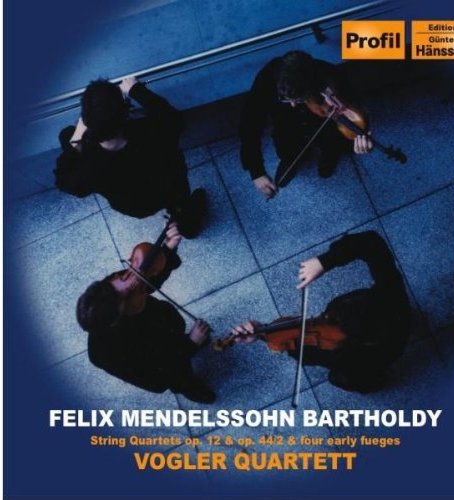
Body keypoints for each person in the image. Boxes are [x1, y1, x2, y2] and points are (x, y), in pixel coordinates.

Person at [230, 231, 411, 393]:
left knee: (341, 379)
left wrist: (264, 335)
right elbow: (370, 241)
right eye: (329, 317)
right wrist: (324, 262)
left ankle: (375, 383)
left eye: (332, 320)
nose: (322, 318)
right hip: (397, 319)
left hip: (371, 361)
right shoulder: (391, 293)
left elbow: (304, 353)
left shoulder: (350, 359)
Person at [76, 221, 215, 403]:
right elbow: (158, 381)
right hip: (167, 358)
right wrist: (190, 344)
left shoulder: (115, 286)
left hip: (167, 323)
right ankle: (189, 387)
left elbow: (146, 277)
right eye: (139, 290)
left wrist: (167, 250)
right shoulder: (105, 355)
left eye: (123, 275)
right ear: (119, 316)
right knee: (181, 377)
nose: (136, 280)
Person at [55, 76, 205, 238]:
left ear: (85, 120)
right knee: (180, 202)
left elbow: (66, 183)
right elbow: (172, 119)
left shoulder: (86, 163)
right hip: (170, 187)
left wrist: (76, 137)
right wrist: (136, 90)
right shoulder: (151, 133)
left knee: (66, 134)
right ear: (125, 114)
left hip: (134, 205)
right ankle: (187, 226)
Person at [239, 50, 373, 198]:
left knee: (332, 142)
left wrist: (360, 136)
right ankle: (291, 158)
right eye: (285, 98)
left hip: (324, 124)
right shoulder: (267, 78)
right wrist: (256, 172)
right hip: (286, 125)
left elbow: (353, 106)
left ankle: (330, 154)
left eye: (300, 99)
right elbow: (249, 125)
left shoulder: (329, 74)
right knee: (286, 147)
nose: (292, 104)